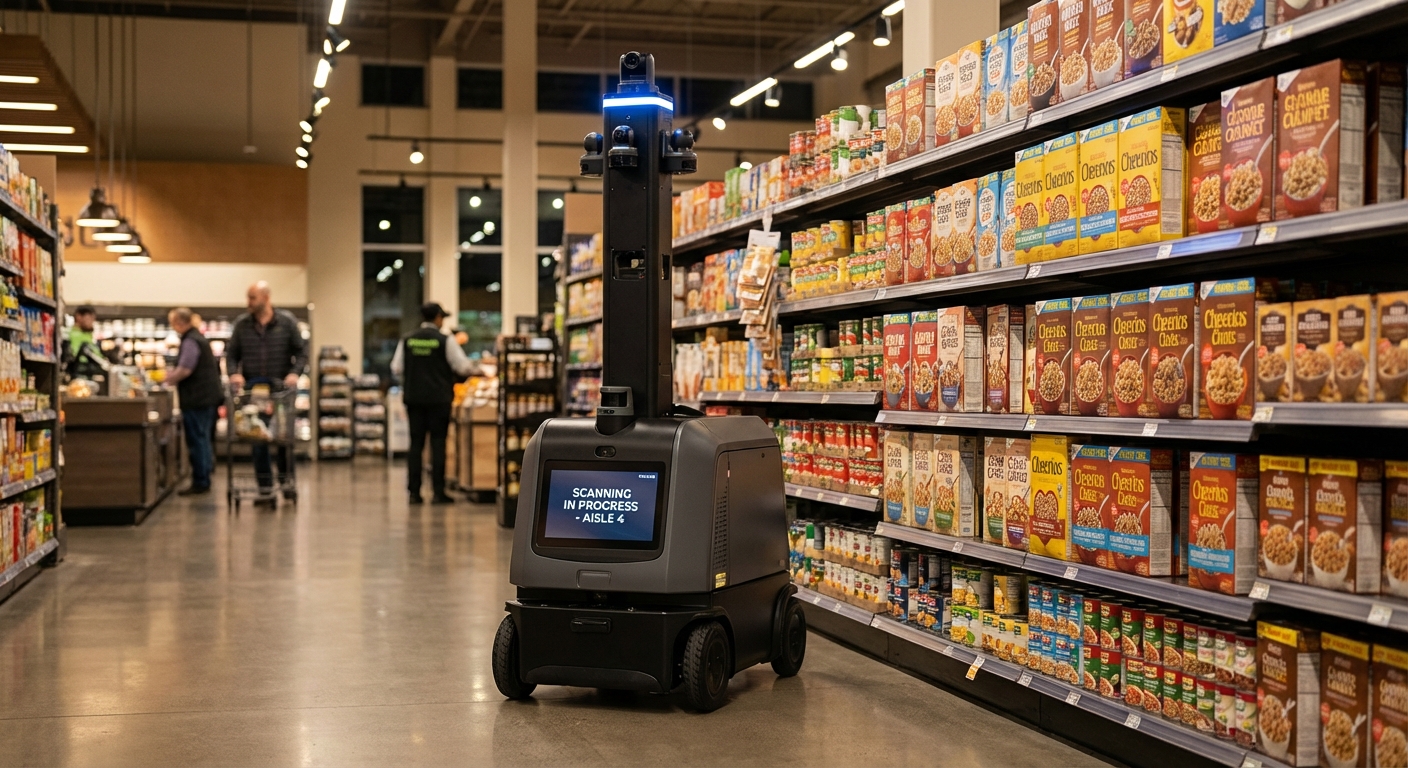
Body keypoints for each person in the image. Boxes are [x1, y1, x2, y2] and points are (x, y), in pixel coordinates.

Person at [227, 281, 308, 504]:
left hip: (281, 392)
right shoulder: (242, 325)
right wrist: (234, 373)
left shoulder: (287, 322)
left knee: (283, 439)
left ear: (266, 297)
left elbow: (301, 353)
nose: (249, 303)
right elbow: (232, 354)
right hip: (254, 393)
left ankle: (286, 483)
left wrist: (294, 373)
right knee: (257, 438)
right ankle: (265, 488)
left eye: (252, 297)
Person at [390, 302, 478, 504]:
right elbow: (463, 367)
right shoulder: (445, 340)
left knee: (416, 445)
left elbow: (396, 368)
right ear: (437, 318)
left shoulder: (408, 340)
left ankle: (414, 493)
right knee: (438, 444)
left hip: (414, 399)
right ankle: (438, 492)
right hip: (439, 400)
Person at [164, 307, 224, 496]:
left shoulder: (190, 340)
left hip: (197, 399)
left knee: (197, 439)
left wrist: (168, 379)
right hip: (207, 398)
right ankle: (205, 475)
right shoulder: (198, 337)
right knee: (204, 438)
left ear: (180, 322)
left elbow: (186, 369)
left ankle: (200, 480)